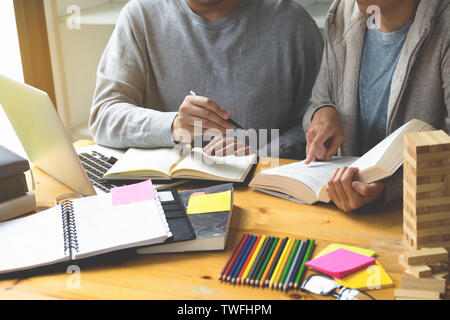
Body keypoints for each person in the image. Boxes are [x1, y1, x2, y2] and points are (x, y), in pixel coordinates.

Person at [89, 0, 323, 160]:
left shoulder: (292, 22)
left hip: (264, 188)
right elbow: (104, 116)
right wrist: (174, 125)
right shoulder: (140, 15)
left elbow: (319, 122)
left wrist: (260, 155)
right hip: (169, 194)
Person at [303, 0, 450, 212]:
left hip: (419, 216)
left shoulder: (444, 25)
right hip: (347, 208)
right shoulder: (343, 13)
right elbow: (319, 101)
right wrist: (323, 113)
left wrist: (388, 190)